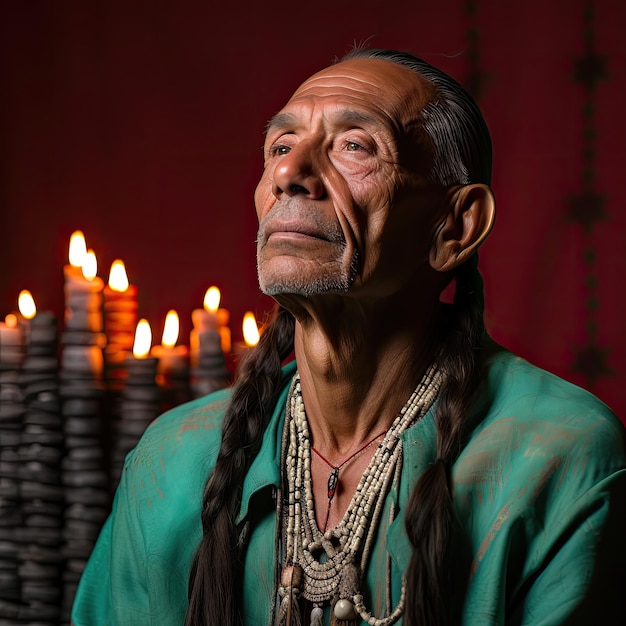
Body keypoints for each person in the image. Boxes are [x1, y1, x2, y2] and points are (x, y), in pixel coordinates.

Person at [71, 48, 626, 626]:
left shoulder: (560, 461)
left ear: (455, 226)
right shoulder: (172, 464)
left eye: (353, 146)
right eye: (280, 148)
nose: (288, 173)